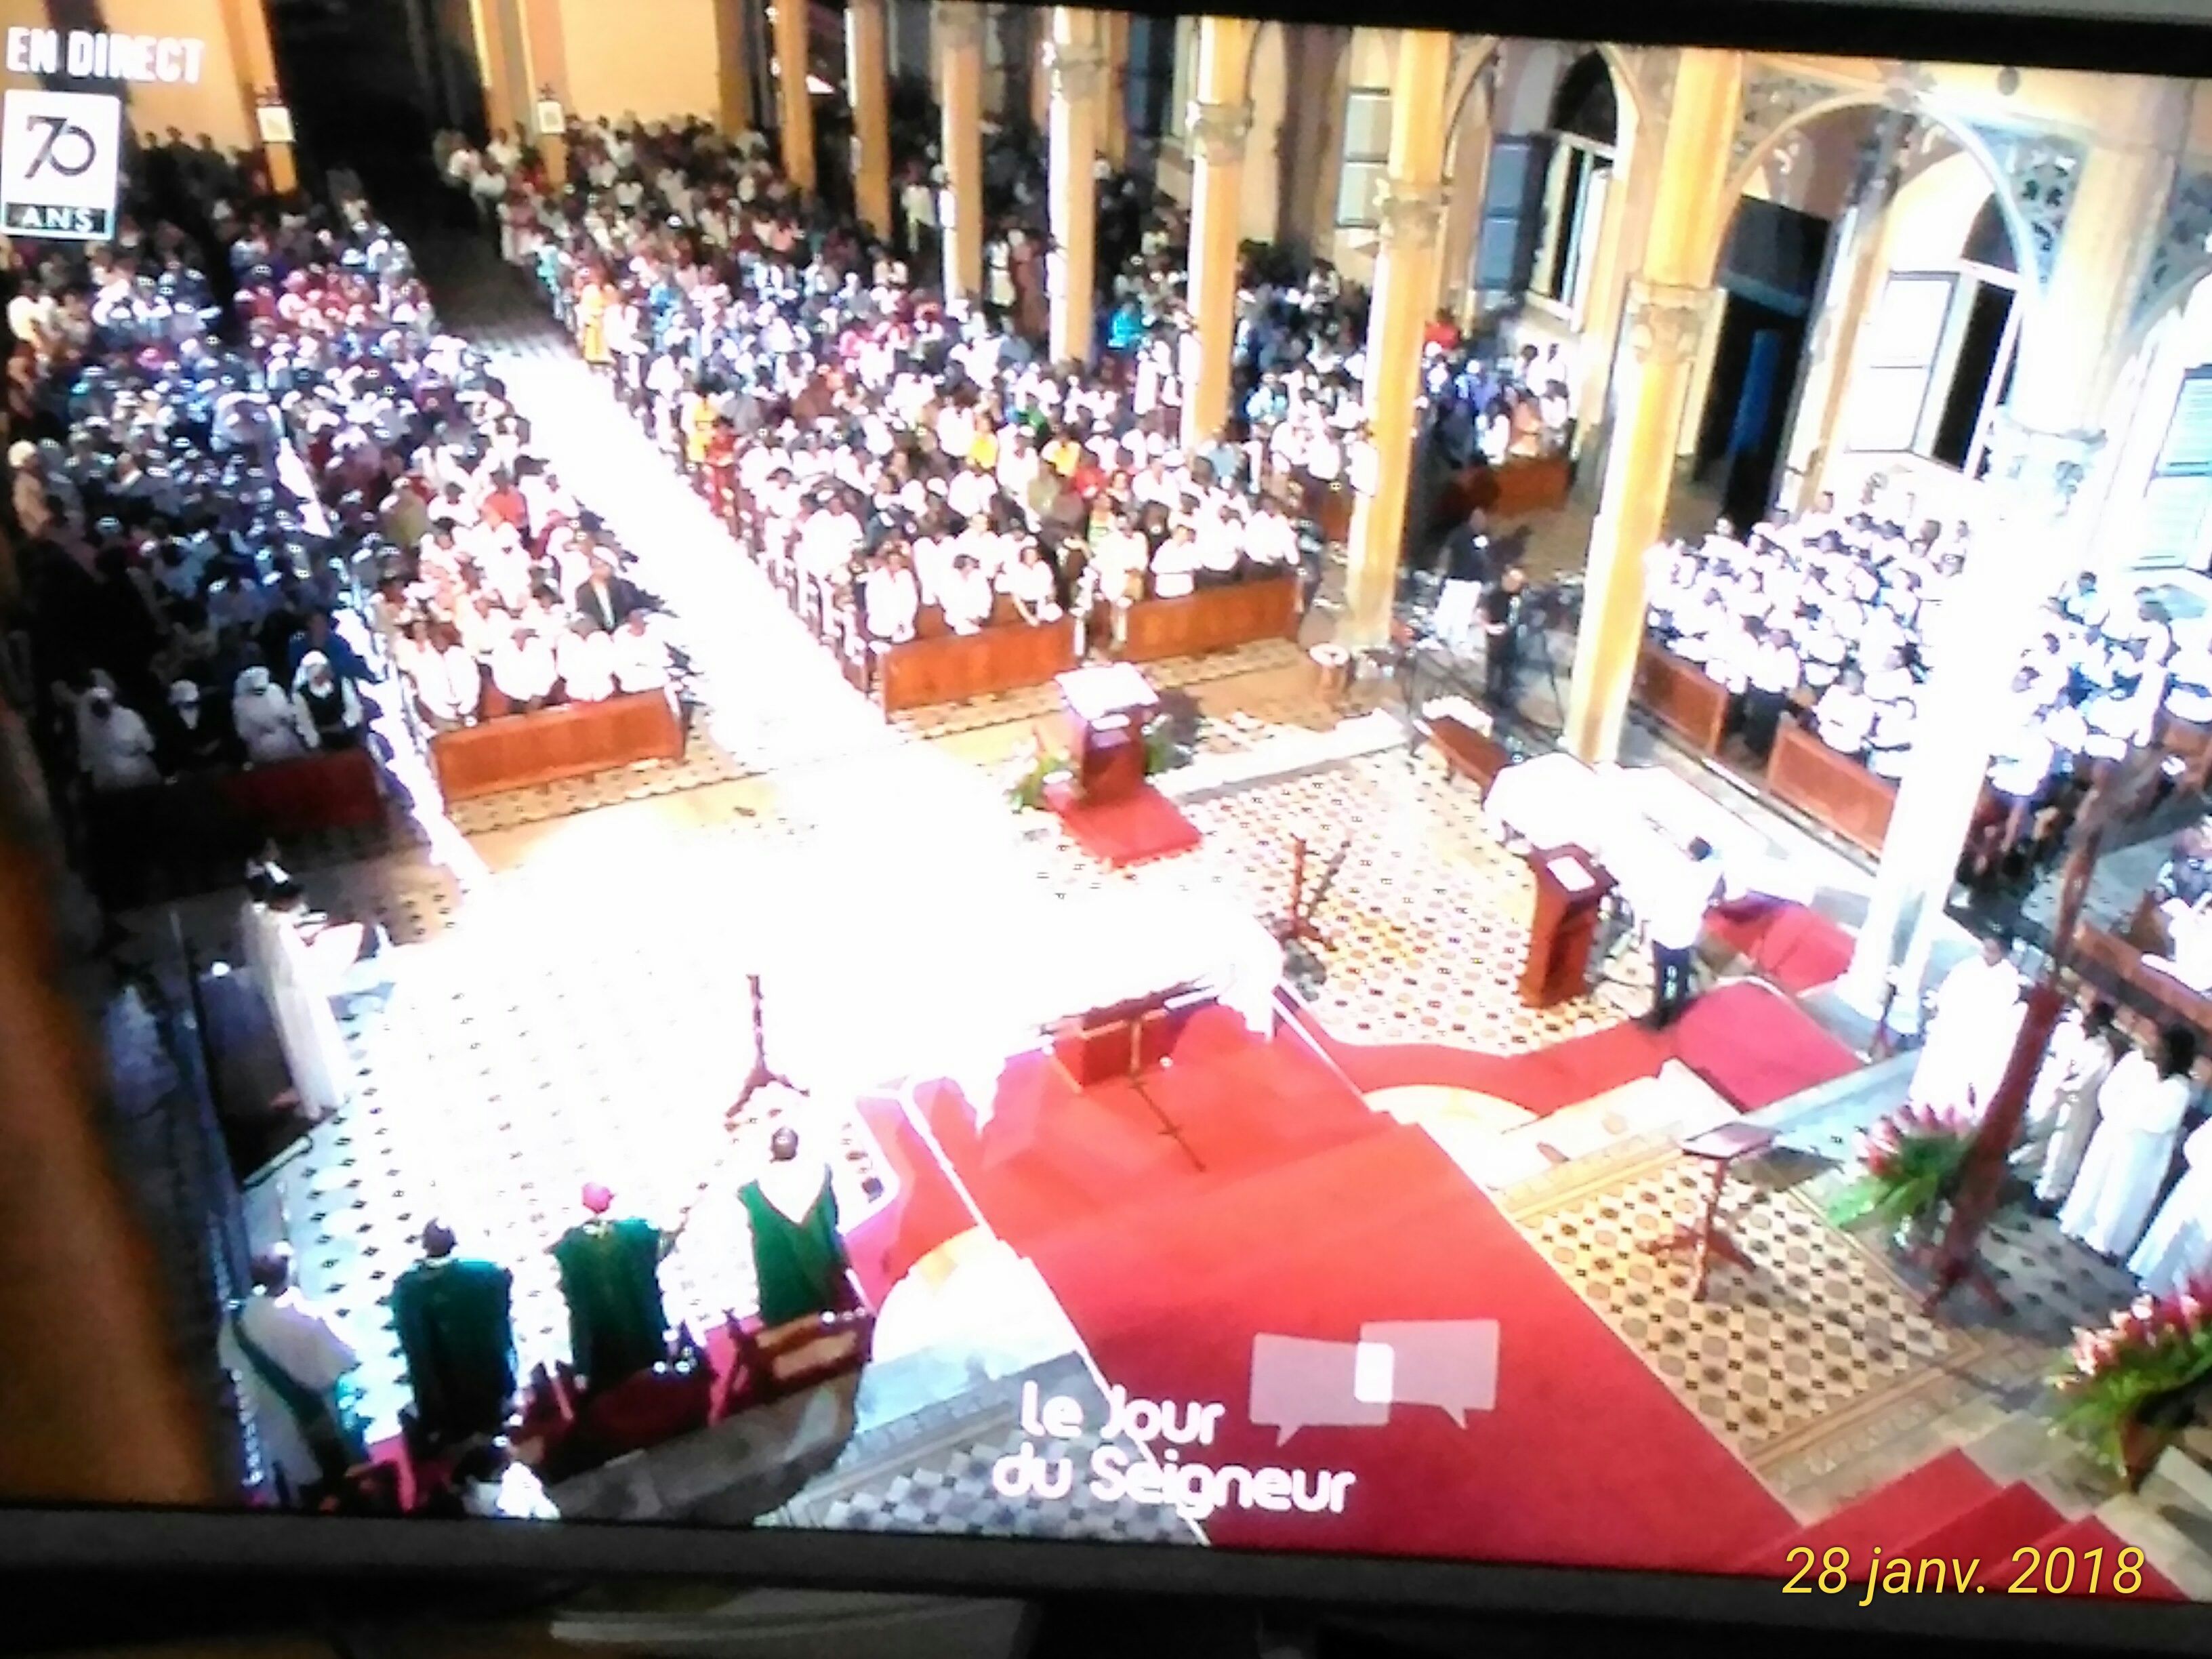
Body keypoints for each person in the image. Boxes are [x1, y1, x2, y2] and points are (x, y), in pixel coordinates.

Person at [218, 1246, 366, 1502]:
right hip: (320, 1421)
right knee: (342, 1488)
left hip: (274, 1424)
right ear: (289, 1272)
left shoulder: (235, 1321)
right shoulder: (311, 1317)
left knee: (304, 1487)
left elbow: (229, 1362)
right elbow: (347, 1358)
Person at [2062, 1026, 2198, 1260]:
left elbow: (2160, 1121)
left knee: (2122, 1195)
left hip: (2140, 1149)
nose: (2155, 1049)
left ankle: (2104, 1243)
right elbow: (2110, 1092)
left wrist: (2128, 1116)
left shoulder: (2179, 1089)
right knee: (2093, 1181)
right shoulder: (2137, 1064)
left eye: (2163, 1048)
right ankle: (2076, 1225)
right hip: (2113, 1132)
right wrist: (2120, 1115)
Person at [388, 1221, 518, 1448]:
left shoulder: (407, 1287)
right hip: (488, 1379)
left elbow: (412, 1343)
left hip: (443, 1390)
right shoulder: (484, 1272)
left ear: (425, 1246)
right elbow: (503, 1292)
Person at [549, 1183, 687, 1392]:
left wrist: (582, 1366)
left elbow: (578, 1311)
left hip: (614, 1344)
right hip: (635, 1338)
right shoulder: (635, 1232)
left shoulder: (572, 1246)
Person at [741, 1127, 851, 1328]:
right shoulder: (820, 1174)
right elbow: (833, 1216)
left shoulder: (752, 1192)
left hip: (794, 1295)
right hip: (821, 1282)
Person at [1908, 935, 2024, 1117]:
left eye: (1993, 951)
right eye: (1986, 949)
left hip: (1976, 1040)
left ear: (2003, 953)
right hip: (1950, 1029)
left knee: (1960, 1086)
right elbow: (1946, 996)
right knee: (1934, 1073)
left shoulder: (2009, 979)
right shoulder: (1966, 968)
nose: (1987, 954)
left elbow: (1999, 1014)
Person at [2026, 998, 2123, 1206]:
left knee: (2063, 1150)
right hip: (2054, 1096)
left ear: (2100, 1023)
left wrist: (2064, 1086)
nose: (2086, 1021)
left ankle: (2049, 1197)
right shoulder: (2075, 1037)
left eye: (2092, 1018)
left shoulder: (2103, 1052)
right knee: (2039, 1138)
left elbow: (2085, 1083)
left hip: (2075, 1107)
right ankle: (2030, 1182)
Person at [1643, 838, 1722, 1031]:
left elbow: (1656, 897)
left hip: (1664, 930)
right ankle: (1676, 1009)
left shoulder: (1676, 872)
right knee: (1680, 973)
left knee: (1663, 975)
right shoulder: (1710, 873)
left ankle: (1659, 1014)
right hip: (1685, 933)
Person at [2129, 1112, 2212, 1294]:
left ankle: (2172, 1290)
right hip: (2198, 1182)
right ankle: (2151, 1273)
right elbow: (2195, 1145)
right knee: (2172, 1230)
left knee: (2198, 1248)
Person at [1479, 566, 1526, 710]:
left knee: (1510, 666)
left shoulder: (1521, 596)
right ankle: (1490, 694)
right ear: (1505, 578)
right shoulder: (1494, 593)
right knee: (1495, 663)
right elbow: (1482, 612)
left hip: (1514, 633)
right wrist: (1488, 627)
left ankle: (1505, 694)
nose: (1515, 585)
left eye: (1519, 582)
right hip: (1496, 631)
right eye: (1512, 580)